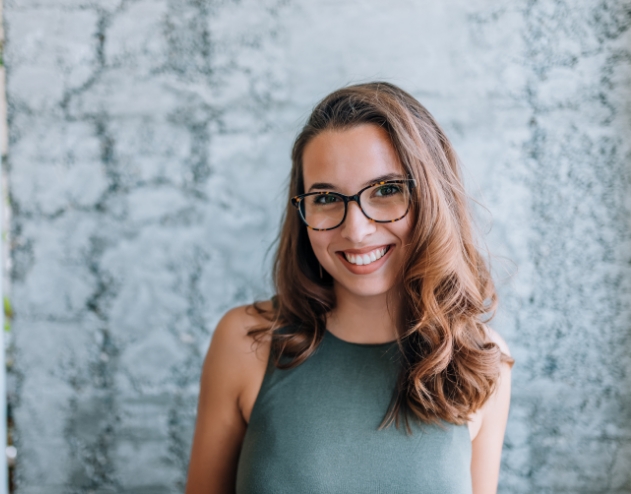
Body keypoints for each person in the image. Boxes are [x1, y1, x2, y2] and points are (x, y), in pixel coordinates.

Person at [185, 82, 514, 494]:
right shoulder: (244, 340)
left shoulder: (483, 361)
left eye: (387, 190)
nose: (356, 231)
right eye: (325, 197)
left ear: (432, 197)